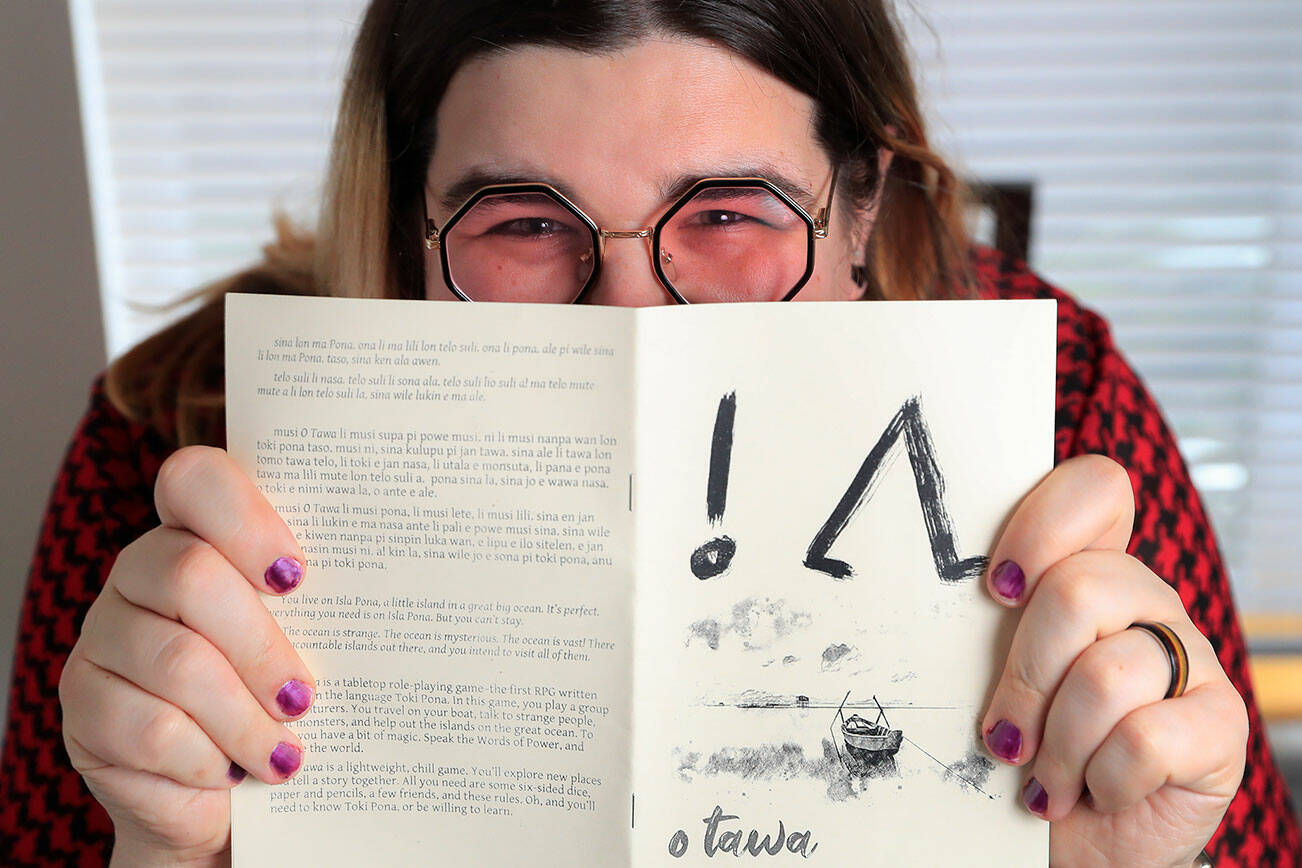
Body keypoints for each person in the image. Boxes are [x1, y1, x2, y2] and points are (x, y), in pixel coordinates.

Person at [1, 1, 1298, 865]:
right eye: (518, 221)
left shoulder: (1057, 395)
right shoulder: (171, 432)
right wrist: (162, 855)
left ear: (861, 209)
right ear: (403, 224)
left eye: (730, 213)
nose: (630, 311)